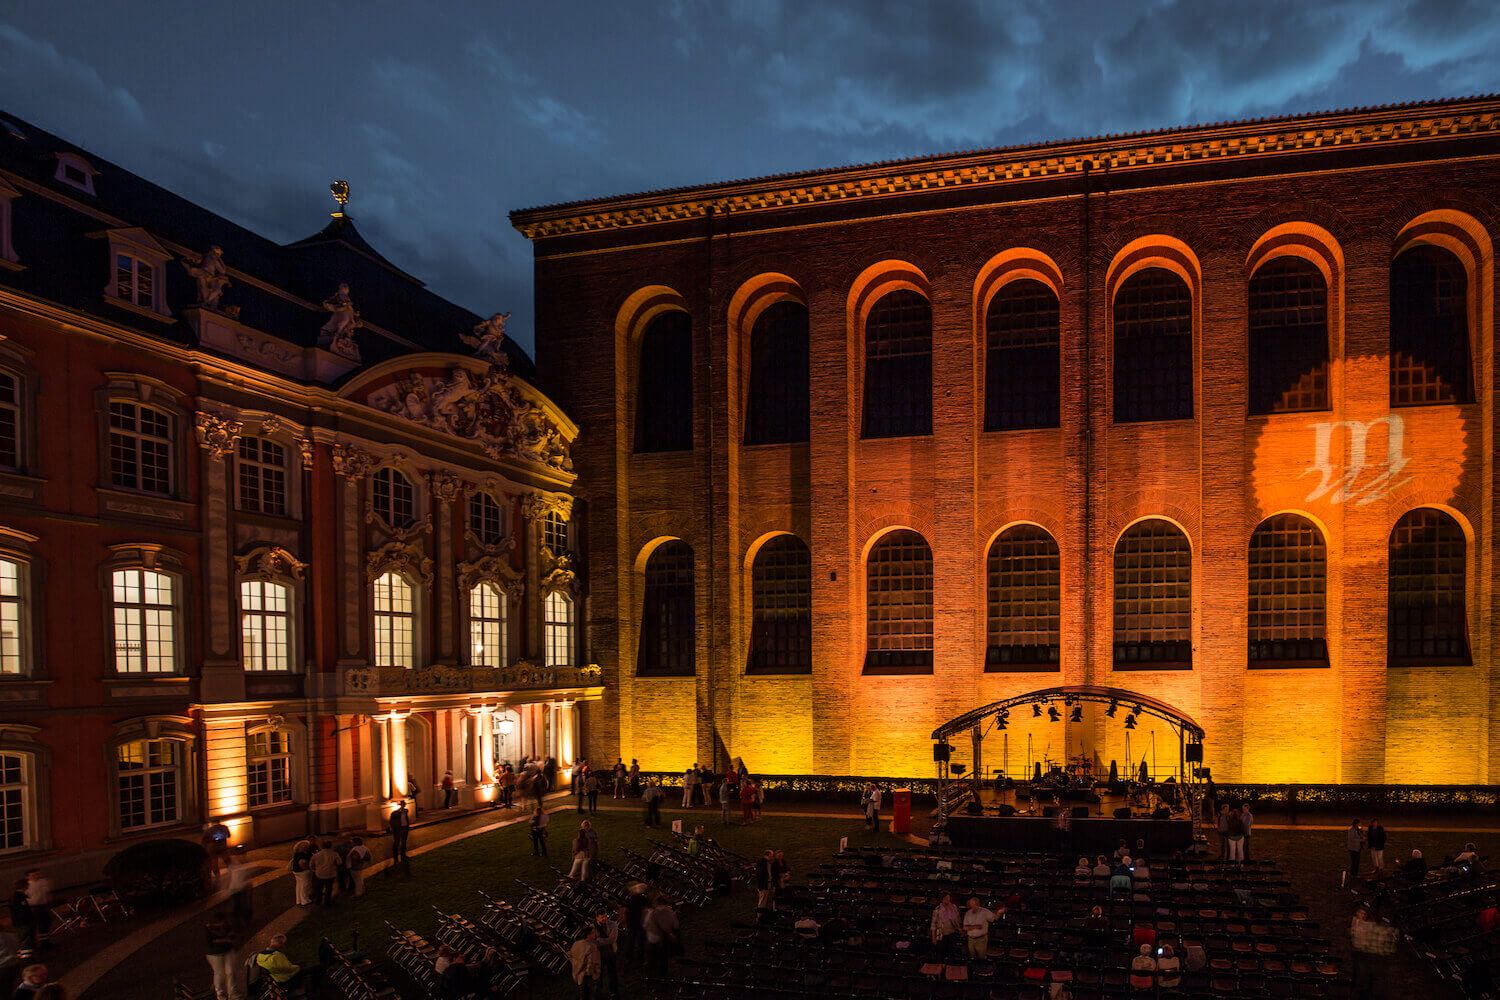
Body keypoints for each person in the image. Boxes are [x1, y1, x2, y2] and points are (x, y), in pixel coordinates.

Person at [1350, 905, 1398, 1000]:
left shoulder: (1367, 927)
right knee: (1377, 983)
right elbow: (1391, 949)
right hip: (1380, 959)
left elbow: (1358, 943)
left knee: (1362, 982)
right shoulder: (1392, 931)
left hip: (1366, 957)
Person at [203, 910, 243, 1000]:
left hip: (228, 951)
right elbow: (210, 943)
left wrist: (230, 939)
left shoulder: (227, 925)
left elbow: (233, 936)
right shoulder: (208, 928)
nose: (222, 925)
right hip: (214, 954)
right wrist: (226, 940)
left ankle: (233, 994)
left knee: (231, 972)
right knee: (220, 974)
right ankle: (221, 995)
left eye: (223, 922)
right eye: (219, 923)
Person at [643, 895, 679, 979]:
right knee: (663, 957)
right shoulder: (670, 910)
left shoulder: (652, 912)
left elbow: (645, 925)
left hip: (653, 937)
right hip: (665, 937)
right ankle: (663, 973)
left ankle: (652, 974)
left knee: (651, 956)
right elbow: (676, 924)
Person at [594, 909, 620, 997]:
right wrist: (606, 940)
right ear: (597, 918)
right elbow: (592, 941)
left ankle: (613, 991)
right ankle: (599, 992)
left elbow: (612, 939)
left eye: (606, 916)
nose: (605, 918)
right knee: (598, 975)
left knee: (612, 973)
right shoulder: (592, 927)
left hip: (611, 953)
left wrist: (599, 940)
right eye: (602, 917)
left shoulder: (613, 924)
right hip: (598, 954)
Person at [623, 884, 650, 963]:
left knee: (630, 941)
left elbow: (625, 911)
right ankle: (640, 959)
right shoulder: (643, 899)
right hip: (640, 923)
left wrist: (625, 923)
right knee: (640, 941)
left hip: (631, 923)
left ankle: (629, 958)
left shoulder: (629, 899)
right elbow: (645, 911)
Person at [20, 874, 47, 949]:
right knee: (33, 929)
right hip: (33, 909)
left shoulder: (41, 882)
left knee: (43, 925)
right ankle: (34, 946)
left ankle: (44, 942)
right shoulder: (21, 894)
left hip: (40, 907)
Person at [311, 840, 341, 905]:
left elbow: (311, 865)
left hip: (319, 874)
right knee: (329, 888)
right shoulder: (334, 854)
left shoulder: (316, 855)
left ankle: (318, 901)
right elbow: (339, 862)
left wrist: (314, 870)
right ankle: (327, 901)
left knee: (319, 888)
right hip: (330, 874)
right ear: (330, 846)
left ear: (322, 846)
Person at [8, 881, 32, 954]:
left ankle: (24, 955)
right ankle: (26, 958)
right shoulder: (20, 897)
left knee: (23, 938)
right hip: (23, 922)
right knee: (25, 940)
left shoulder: (14, 896)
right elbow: (23, 910)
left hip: (19, 922)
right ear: (25, 886)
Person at [290, 840, 314, 906]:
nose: (308, 847)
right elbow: (302, 863)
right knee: (305, 886)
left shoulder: (296, 854)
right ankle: (305, 901)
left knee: (299, 885)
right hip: (303, 872)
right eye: (307, 846)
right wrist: (309, 868)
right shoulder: (303, 854)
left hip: (296, 871)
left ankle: (298, 900)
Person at [389, 802, 412, 871]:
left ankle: (403, 855)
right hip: (398, 829)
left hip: (405, 828)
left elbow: (406, 818)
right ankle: (395, 857)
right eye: (402, 805)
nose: (403, 806)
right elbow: (392, 821)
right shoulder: (395, 813)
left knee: (404, 842)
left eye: (404, 805)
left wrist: (408, 826)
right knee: (397, 842)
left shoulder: (406, 811)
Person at [754, 851, 776, 918]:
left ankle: (764, 915)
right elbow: (760, 876)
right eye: (771, 855)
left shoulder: (767, 863)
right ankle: (759, 916)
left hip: (767, 884)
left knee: (765, 901)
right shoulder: (762, 863)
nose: (772, 857)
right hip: (764, 885)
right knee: (762, 901)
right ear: (768, 855)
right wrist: (762, 886)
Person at [1346, 819, 1365, 884]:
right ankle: (1352, 874)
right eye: (1359, 824)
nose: (1359, 825)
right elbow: (1351, 838)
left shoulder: (1358, 829)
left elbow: (1361, 835)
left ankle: (1355, 874)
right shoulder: (1351, 829)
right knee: (1354, 861)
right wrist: (1360, 840)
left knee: (1357, 862)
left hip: (1358, 848)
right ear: (1355, 823)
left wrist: (1362, 834)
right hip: (1353, 848)